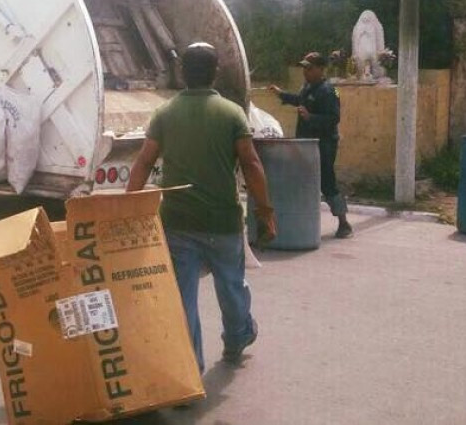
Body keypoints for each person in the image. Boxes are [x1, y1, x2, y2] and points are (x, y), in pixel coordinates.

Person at [126, 42, 276, 371]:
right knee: (231, 287)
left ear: (182, 73)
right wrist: (265, 212)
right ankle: (237, 340)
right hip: (223, 222)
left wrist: (127, 207)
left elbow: (143, 162)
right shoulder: (231, 113)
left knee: (182, 300)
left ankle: (190, 369)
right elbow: (251, 164)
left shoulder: (164, 114)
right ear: (215, 72)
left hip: (178, 223)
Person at [270, 51, 353, 238]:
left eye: (309, 68)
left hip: (324, 145)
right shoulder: (307, 87)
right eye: (304, 68)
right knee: (302, 180)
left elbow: (334, 118)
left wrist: (311, 117)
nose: (305, 72)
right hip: (305, 143)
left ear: (321, 69)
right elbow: (300, 100)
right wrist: (281, 94)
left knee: (327, 182)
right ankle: (300, 221)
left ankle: (344, 223)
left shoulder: (330, 90)